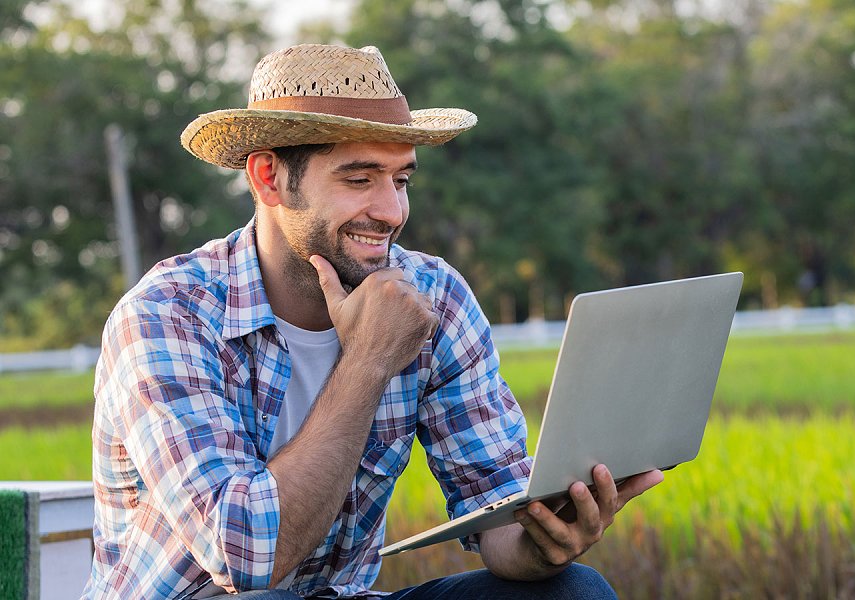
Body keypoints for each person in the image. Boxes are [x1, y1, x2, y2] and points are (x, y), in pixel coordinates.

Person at [84, 43, 662, 600]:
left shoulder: (434, 296)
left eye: (401, 179)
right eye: (359, 179)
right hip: (207, 597)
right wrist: (368, 360)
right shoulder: (169, 314)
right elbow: (247, 561)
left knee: (573, 592)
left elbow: (497, 510)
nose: (391, 211)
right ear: (268, 178)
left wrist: (544, 540)